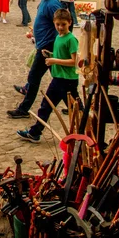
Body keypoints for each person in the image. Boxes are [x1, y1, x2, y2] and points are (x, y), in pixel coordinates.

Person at [17, 8, 78, 143]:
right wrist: (50, 55)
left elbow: (74, 61)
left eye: (63, 24)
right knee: (45, 106)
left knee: (77, 110)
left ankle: (86, 133)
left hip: (68, 81)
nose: (60, 27)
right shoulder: (58, 37)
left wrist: (54, 60)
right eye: (58, 25)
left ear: (69, 22)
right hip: (58, 79)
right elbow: (61, 56)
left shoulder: (71, 39)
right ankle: (35, 132)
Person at [7, 0, 62, 119]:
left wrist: (56, 48)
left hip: (47, 47)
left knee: (34, 77)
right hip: (43, 44)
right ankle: (77, 104)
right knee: (60, 78)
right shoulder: (45, 1)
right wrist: (34, 33)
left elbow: (60, 26)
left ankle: (24, 109)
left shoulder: (53, 4)